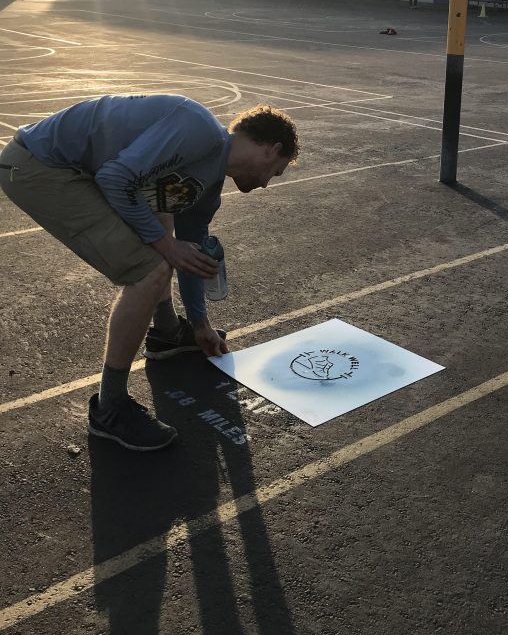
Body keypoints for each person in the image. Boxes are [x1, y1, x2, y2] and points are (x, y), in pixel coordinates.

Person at [0, 96, 299, 450]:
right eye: (276, 171)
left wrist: (201, 323)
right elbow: (115, 177)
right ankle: (110, 409)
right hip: (39, 166)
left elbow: (191, 254)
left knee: (163, 218)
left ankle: (170, 333)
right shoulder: (198, 128)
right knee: (151, 269)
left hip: (72, 168)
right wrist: (164, 246)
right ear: (271, 149)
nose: (266, 183)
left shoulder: (207, 184)